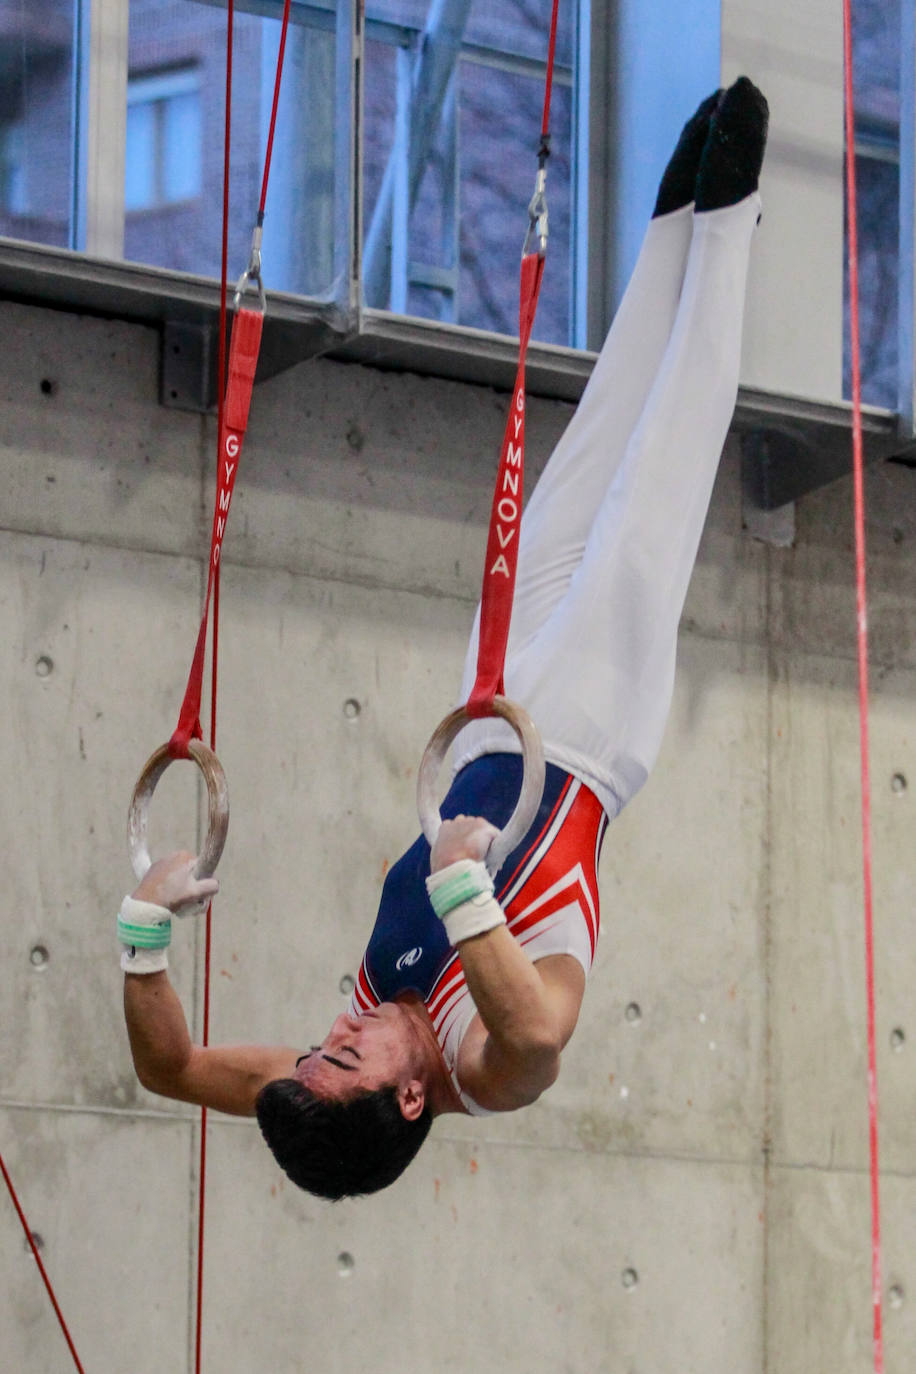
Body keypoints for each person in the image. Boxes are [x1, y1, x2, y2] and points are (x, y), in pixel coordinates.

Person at [119, 77, 769, 1200]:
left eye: (313, 1049)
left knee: (594, 434)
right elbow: (539, 1046)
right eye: (342, 1054)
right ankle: (732, 224)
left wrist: (143, 932)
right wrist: (470, 900)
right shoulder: (477, 1062)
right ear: (407, 1097)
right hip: (586, 740)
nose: (327, 1030)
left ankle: (672, 224)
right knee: (660, 464)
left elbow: (171, 1067)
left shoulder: (367, 1032)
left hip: (488, 713)